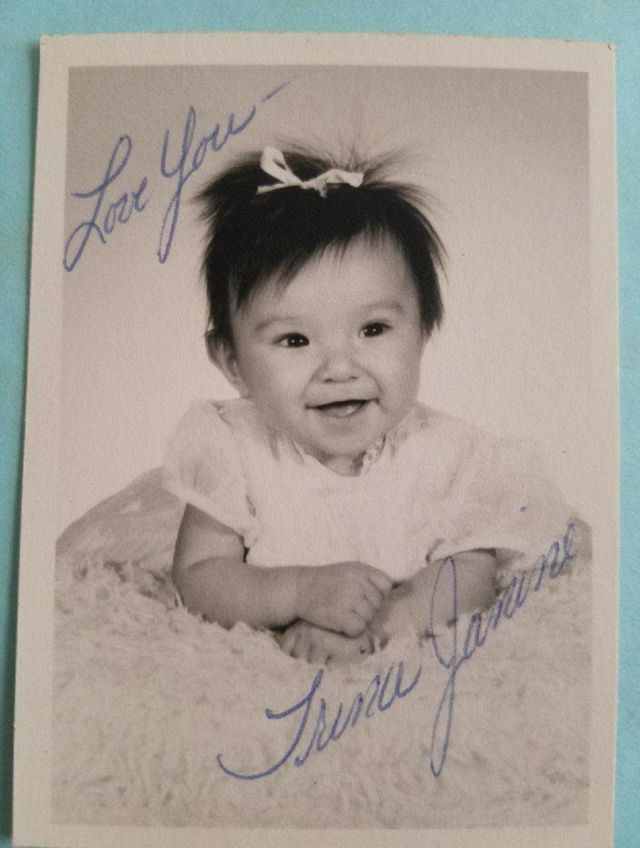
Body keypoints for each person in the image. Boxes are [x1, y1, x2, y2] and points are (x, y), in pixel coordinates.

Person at [164, 145, 573, 665]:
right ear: (232, 361)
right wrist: (300, 592)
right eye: (295, 340)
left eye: (373, 329)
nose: (340, 368)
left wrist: (382, 625)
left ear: (422, 332)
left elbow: (469, 574)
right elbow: (199, 576)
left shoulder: (448, 454)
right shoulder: (232, 449)